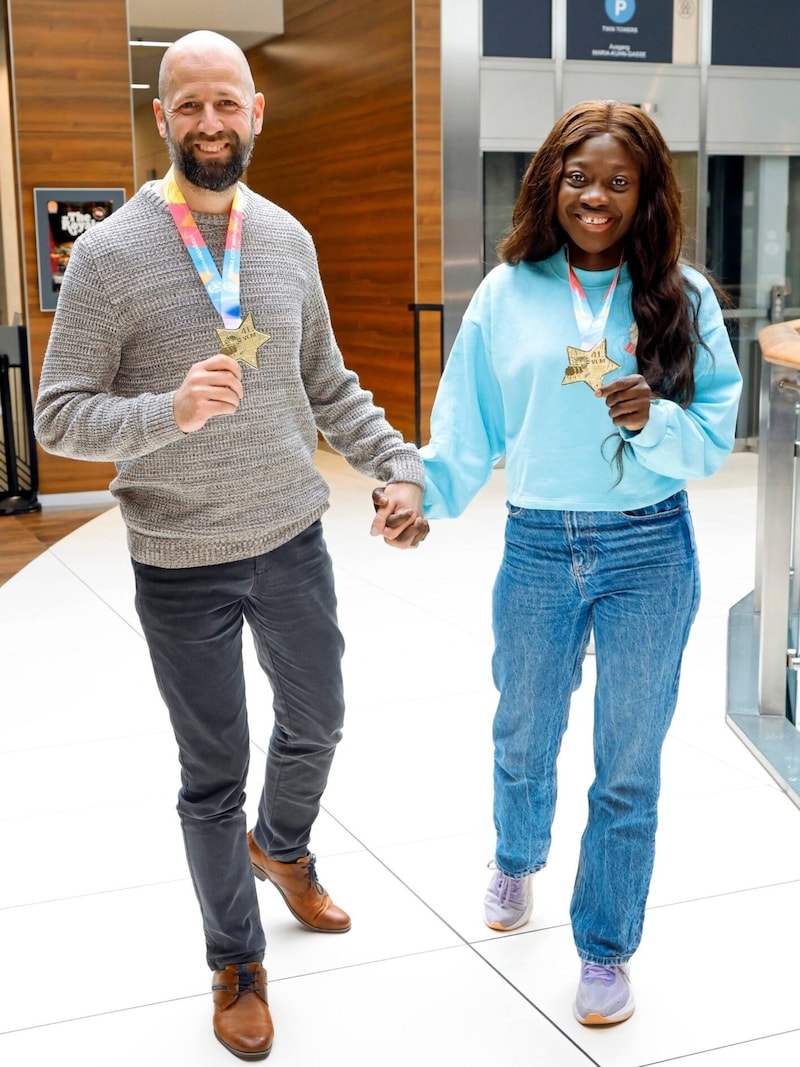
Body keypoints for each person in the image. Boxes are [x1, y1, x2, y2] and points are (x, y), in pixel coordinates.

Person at [34, 30, 428, 1062]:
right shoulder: (113, 253)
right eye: (188, 107)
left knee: (320, 718)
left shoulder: (286, 237)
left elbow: (327, 383)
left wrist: (396, 463)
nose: (210, 123)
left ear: (257, 111)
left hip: (291, 531)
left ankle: (283, 846)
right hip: (178, 555)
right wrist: (168, 411)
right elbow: (57, 415)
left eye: (227, 104)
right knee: (212, 768)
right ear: (161, 119)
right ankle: (235, 961)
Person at [405, 99, 742, 1026]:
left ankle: (605, 948)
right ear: (549, 182)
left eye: (618, 182)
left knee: (627, 766)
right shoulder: (508, 292)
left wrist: (654, 419)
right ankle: (515, 858)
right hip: (538, 544)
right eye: (578, 177)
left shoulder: (685, 294)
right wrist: (421, 498)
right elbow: (464, 423)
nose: (595, 196)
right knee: (524, 730)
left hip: (649, 551)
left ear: (647, 194)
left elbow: (715, 437)